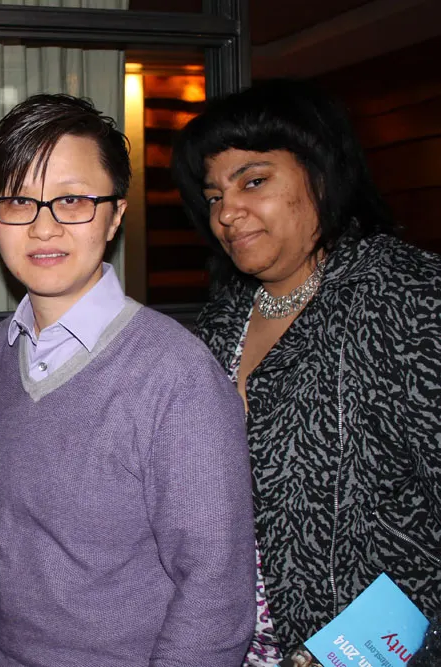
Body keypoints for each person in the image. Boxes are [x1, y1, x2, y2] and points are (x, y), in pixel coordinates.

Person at [0, 94, 256, 667]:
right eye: (19, 201)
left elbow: (215, 593)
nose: (43, 227)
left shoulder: (176, 376)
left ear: (114, 215)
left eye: (72, 200)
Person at [172, 78, 441, 663]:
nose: (228, 213)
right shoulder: (220, 322)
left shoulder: (409, 300)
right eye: (214, 196)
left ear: (321, 172)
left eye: (254, 181)